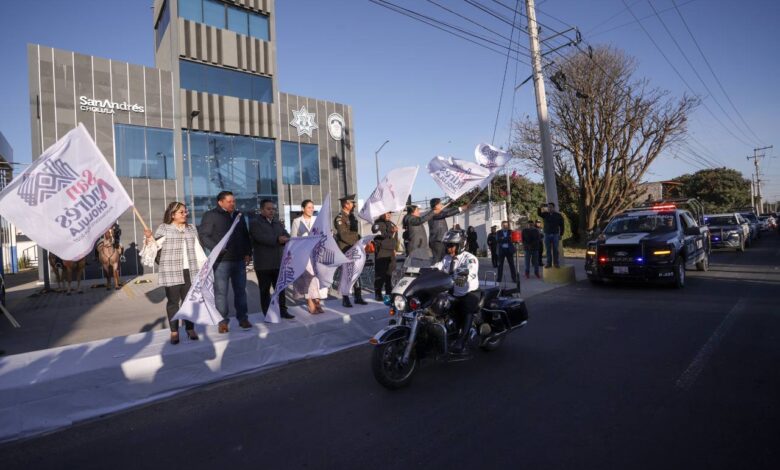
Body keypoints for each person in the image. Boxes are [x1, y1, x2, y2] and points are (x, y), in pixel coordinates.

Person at [144, 202, 200, 345]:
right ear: (172, 214)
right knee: (173, 302)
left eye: (185, 211)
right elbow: (154, 249)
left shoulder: (192, 228)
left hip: (191, 270)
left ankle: (190, 328)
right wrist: (149, 238)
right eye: (181, 212)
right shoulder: (164, 228)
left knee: (189, 302)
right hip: (171, 270)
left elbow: (198, 249)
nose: (185, 214)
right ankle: (174, 331)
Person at [198, 191, 253, 333]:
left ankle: (243, 318)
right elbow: (204, 235)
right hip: (221, 262)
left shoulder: (238, 216)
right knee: (221, 293)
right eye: (229, 201)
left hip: (239, 260)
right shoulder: (211, 215)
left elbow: (245, 236)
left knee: (240, 291)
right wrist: (216, 248)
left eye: (233, 201)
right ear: (220, 202)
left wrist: (248, 253)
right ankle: (222, 321)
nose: (232, 204)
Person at [432, 229, 480, 355]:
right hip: (452, 292)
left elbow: (467, 274)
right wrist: (421, 272)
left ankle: (461, 341)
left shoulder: (470, 259)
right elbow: (436, 268)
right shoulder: (447, 259)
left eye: (451, 245)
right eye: (447, 245)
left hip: (468, 292)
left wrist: (457, 278)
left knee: (466, 307)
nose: (449, 249)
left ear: (461, 245)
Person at [250, 199, 295, 320]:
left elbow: (286, 235)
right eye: (268, 209)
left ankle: (283, 311)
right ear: (262, 210)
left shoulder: (277, 223)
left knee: (280, 289)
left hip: (278, 262)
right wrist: (277, 240)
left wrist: (286, 238)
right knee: (265, 290)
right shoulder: (255, 222)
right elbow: (261, 238)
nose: (272, 211)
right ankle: (268, 313)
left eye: (273, 209)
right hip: (263, 264)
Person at [290, 199, 326, 314]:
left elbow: (322, 235)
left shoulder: (317, 220)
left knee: (317, 278)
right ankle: (310, 302)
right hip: (303, 254)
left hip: (316, 254)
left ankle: (318, 302)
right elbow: (293, 238)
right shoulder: (297, 221)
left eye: (312, 207)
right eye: (309, 207)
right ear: (303, 209)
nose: (311, 209)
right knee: (307, 278)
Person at [335, 194, 367, 307]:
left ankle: (358, 296)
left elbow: (355, 233)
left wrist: (361, 240)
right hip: (345, 249)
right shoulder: (340, 218)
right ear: (345, 204)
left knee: (357, 272)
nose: (354, 205)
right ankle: (345, 298)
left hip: (354, 249)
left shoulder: (352, 217)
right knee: (347, 274)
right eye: (352, 203)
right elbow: (344, 235)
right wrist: (357, 240)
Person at [428, 198, 467, 262]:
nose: (441, 205)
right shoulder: (434, 213)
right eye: (440, 203)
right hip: (437, 241)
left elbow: (444, 212)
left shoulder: (435, 213)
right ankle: (435, 271)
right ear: (436, 205)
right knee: (438, 261)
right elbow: (447, 213)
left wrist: (451, 202)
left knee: (443, 260)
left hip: (440, 240)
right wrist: (460, 209)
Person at [372, 212, 398, 301]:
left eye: (390, 213)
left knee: (390, 274)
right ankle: (378, 293)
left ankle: (389, 293)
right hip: (381, 252)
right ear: (382, 214)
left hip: (391, 252)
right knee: (380, 274)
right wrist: (391, 231)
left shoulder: (391, 223)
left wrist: (395, 248)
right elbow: (378, 234)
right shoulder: (377, 224)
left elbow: (395, 238)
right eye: (387, 213)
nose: (389, 215)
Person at [538, 203, 565, 268]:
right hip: (547, 234)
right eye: (548, 207)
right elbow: (539, 214)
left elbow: (562, 225)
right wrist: (539, 207)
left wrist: (561, 234)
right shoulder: (545, 214)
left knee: (555, 249)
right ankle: (548, 263)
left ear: (554, 208)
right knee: (548, 250)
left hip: (555, 234)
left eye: (551, 207)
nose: (549, 208)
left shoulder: (558, 215)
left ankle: (556, 263)